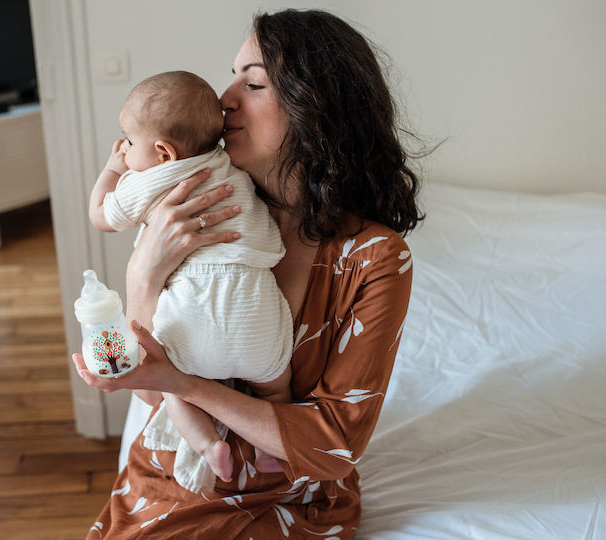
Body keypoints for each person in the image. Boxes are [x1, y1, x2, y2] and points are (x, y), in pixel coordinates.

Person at [73, 8, 423, 539]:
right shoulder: (188, 203)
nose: (225, 97)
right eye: (232, 74)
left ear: (316, 107)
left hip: (292, 500)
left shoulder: (373, 259)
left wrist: (185, 383)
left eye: (253, 81)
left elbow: (333, 447)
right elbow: (148, 394)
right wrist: (143, 273)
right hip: (170, 479)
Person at [87, 70, 293, 493]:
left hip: (192, 314)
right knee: (276, 384)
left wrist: (112, 168)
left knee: (170, 383)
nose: (124, 149)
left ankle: (207, 445)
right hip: (256, 314)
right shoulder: (227, 165)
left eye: (128, 141)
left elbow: (100, 216)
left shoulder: (147, 181)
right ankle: (271, 448)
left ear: (163, 152)